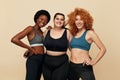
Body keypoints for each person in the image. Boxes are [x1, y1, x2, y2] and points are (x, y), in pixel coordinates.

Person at [67, 8, 106, 80]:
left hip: (84, 66)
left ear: (85, 21)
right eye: (76, 19)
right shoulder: (73, 33)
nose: (78, 22)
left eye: (81, 19)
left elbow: (103, 49)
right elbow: (71, 49)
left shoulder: (90, 33)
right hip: (72, 66)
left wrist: (93, 61)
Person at [11, 10, 50, 80]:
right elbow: (14, 39)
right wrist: (30, 49)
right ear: (37, 18)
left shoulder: (42, 32)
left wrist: (50, 30)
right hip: (34, 59)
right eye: (41, 19)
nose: (43, 22)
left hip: (42, 58)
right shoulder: (30, 29)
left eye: (46, 21)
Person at [43, 13, 72, 80]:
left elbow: (72, 49)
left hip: (62, 63)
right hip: (46, 63)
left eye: (62, 19)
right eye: (57, 19)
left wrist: (83, 56)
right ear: (53, 20)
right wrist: (30, 50)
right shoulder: (46, 31)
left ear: (64, 22)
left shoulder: (67, 32)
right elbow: (39, 44)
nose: (59, 21)